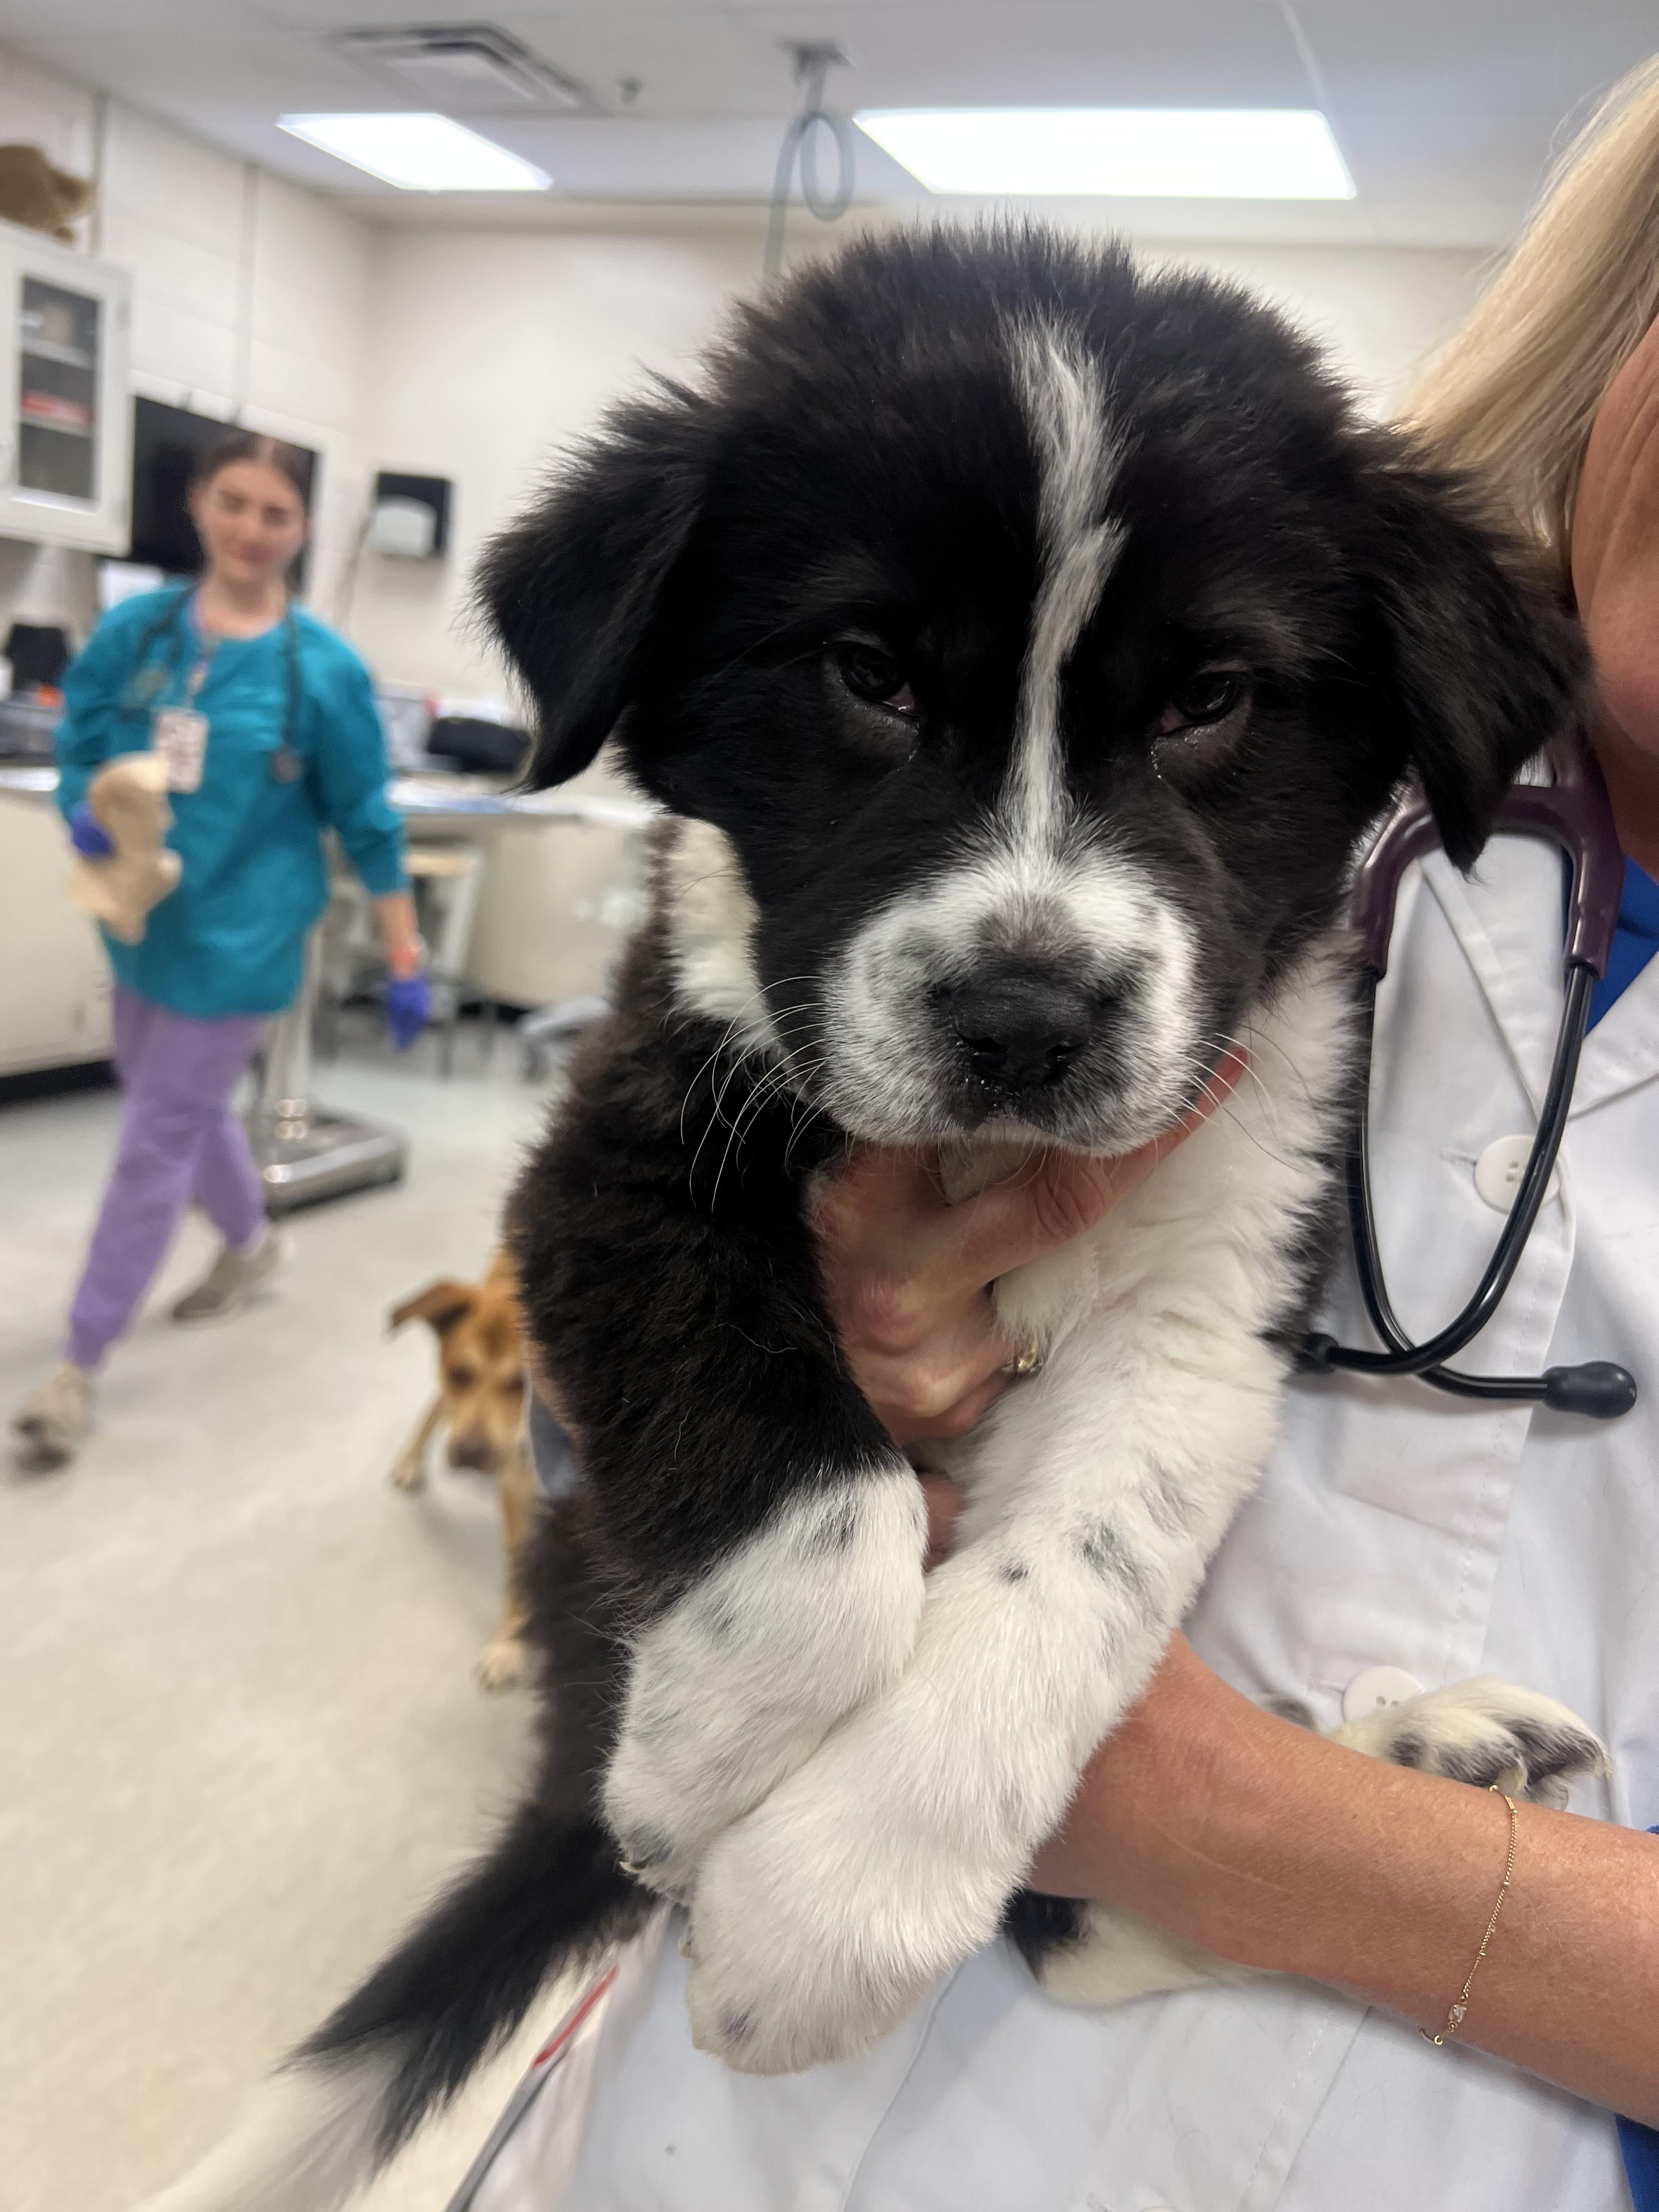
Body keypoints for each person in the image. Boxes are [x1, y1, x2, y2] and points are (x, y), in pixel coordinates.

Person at [471, 58, 1659, 2212]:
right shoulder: (1393, 748)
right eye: (878, 675)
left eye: (1200, 707)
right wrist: (791, 1381)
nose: (1038, 940)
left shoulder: (1370, 653)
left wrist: (1203, 1821)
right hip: (733, 2117)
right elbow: (626, 1273)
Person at [10, 433, 431, 1472]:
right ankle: (252, 1247)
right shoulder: (140, 629)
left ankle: (79, 1364)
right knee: (174, 1107)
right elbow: (82, 730)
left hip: (244, 942)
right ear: (199, 502)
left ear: (302, 528)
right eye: (233, 503)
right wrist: (83, 808)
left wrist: (405, 954)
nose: (250, 529)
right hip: (144, 920)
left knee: (155, 1134)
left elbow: (368, 820)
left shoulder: (320, 672)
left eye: (275, 513)